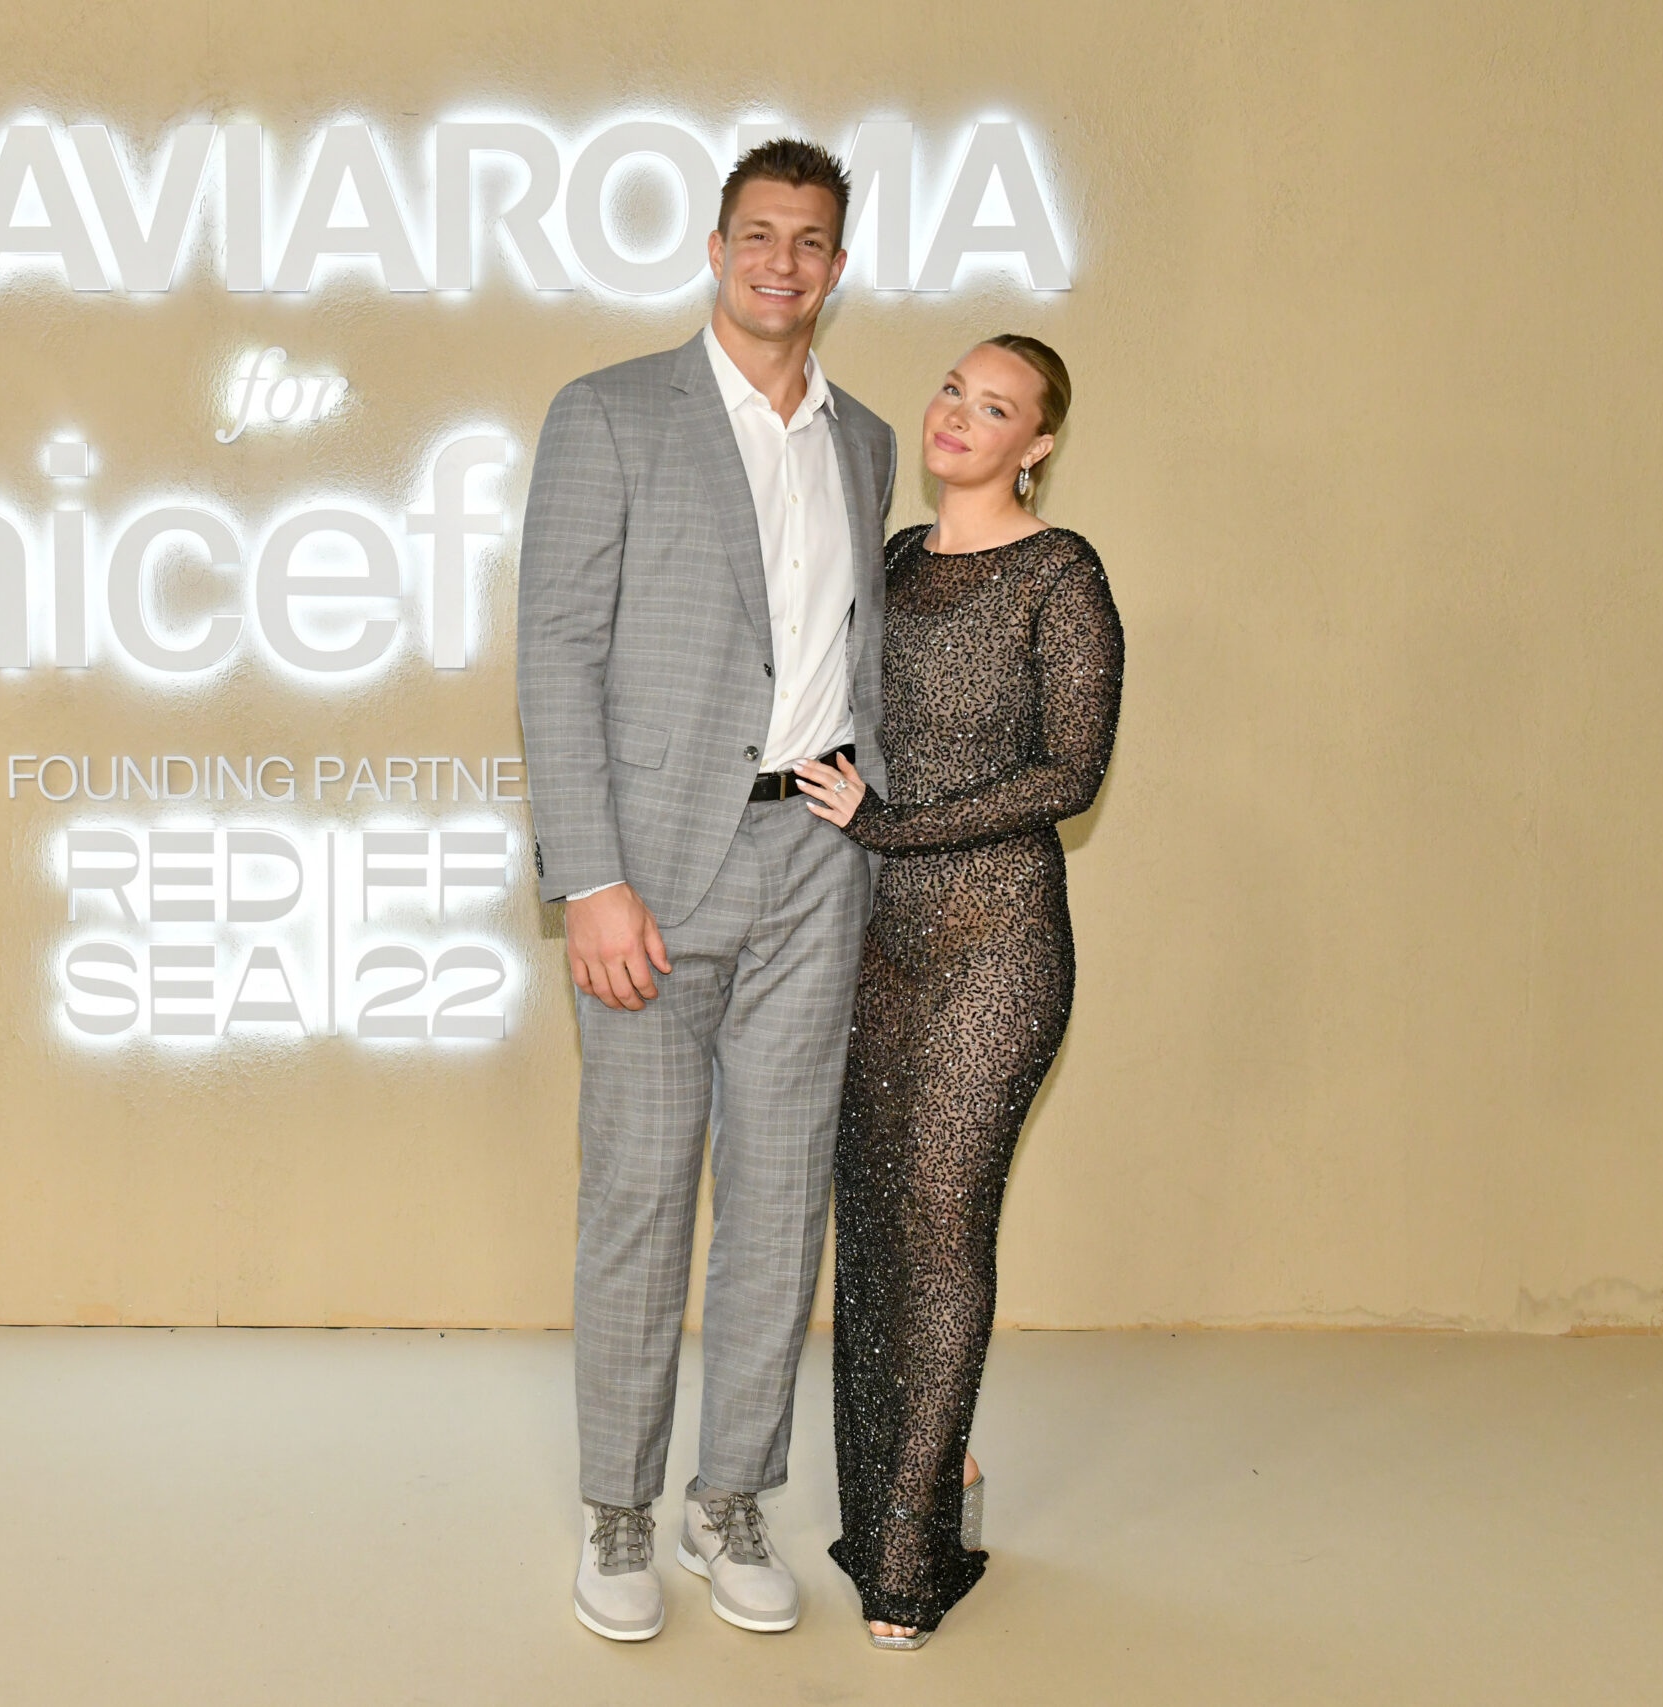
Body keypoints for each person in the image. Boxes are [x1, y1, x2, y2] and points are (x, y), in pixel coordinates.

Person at [516, 137, 896, 1643]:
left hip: (816, 864)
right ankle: (618, 1509)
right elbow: (557, 651)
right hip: (654, 877)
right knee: (640, 1193)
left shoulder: (866, 440)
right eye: (758, 234)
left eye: (809, 241)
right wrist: (589, 879)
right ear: (717, 246)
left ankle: (729, 1495)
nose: (780, 262)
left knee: (781, 1200)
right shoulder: (609, 413)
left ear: (836, 267)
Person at [796, 335, 1124, 1646]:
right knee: (875, 1232)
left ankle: (908, 1561)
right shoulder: (891, 562)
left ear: (1035, 445)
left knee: (939, 1226)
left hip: (997, 949)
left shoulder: (1060, 572)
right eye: (952, 390)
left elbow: (1070, 774)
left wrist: (889, 823)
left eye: (994, 408)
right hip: (875, 948)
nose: (958, 417)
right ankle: (937, 1477)